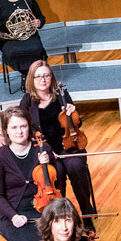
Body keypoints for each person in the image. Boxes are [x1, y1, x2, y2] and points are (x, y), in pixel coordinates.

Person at [21, 59, 97, 218]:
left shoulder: (62, 95)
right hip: (46, 152)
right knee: (58, 172)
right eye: (38, 77)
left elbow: (78, 123)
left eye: (47, 76)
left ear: (52, 78)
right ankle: (61, 216)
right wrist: (47, 151)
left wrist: (72, 112)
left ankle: (87, 212)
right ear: (31, 79)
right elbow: (26, 131)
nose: (43, 80)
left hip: (69, 146)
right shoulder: (27, 101)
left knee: (76, 167)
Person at [0, 108, 54, 241]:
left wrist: (50, 163)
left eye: (23, 126)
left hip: (44, 207)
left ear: (29, 127)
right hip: (14, 212)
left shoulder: (43, 149)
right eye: (14, 127)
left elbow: (57, 184)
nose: (20, 131)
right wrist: (13, 216)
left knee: (69, 236)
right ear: (6, 131)